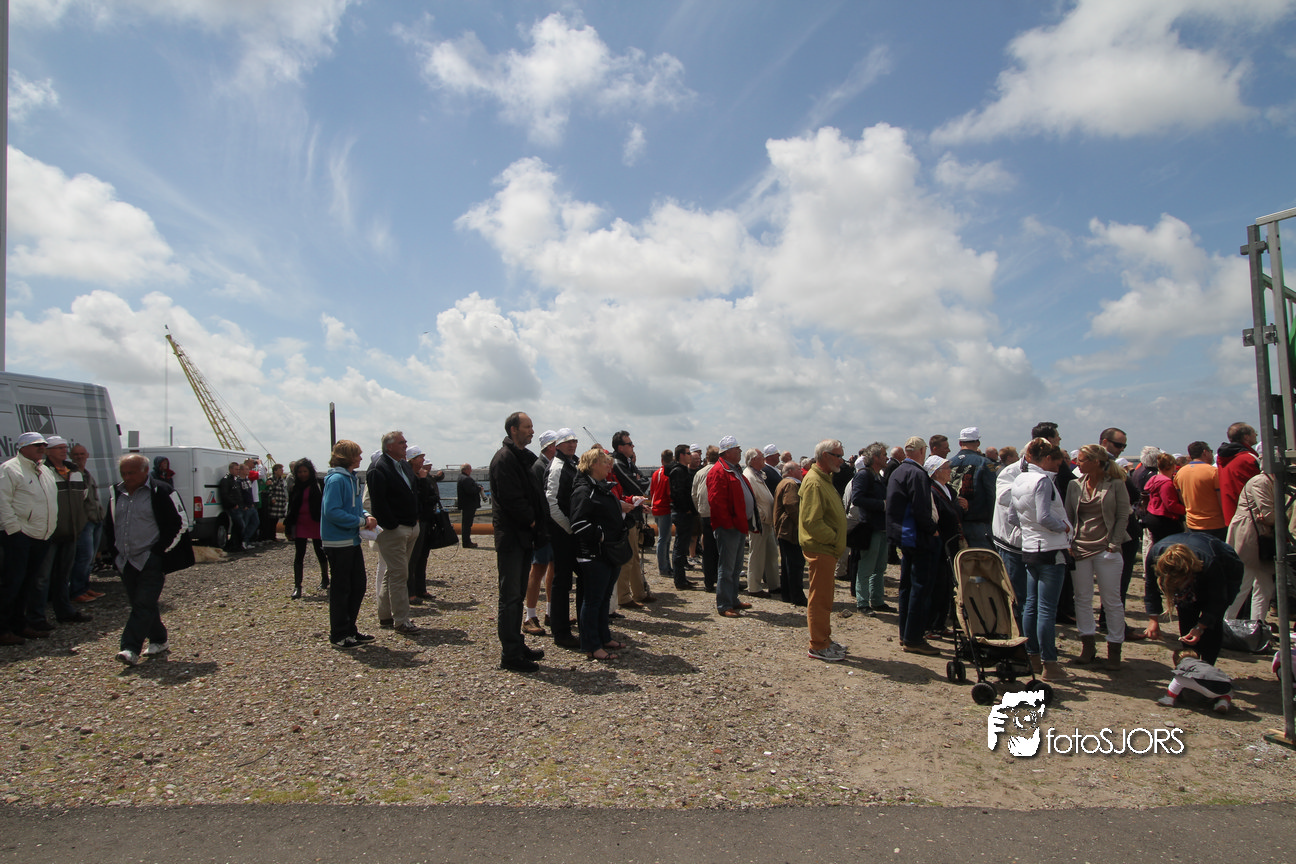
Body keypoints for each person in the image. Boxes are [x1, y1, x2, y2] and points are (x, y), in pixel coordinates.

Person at [103, 453, 192, 665]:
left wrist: (159, 552)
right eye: (123, 473)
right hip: (125, 559)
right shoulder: (116, 493)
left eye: (131, 473)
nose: (127, 477)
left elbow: (181, 522)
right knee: (141, 603)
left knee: (143, 603)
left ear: (145, 471)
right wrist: (113, 552)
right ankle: (159, 639)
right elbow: (110, 523)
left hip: (150, 558)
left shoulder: (162, 491)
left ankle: (130, 648)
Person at [1009, 438, 1073, 682]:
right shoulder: (1042, 480)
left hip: (1030, 547)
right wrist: (1065, 527)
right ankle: (1050, 663)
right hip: (1049, 548)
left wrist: (1030, 529)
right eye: (1056, 461)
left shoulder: (1020, 479)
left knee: (1031, 605)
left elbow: (1012, 517)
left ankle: (1033, 655)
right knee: (1046, 609)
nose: (1058, 465)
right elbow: (1045, 517)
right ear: (1046, 458)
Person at [489, 412, 548, 673]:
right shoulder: (505, 459)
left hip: (523, 537)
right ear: (513, 429)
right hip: (513, 537)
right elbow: (512, 499)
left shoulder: (520, 457)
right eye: (527, 427)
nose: (532, 431)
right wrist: (533, 521)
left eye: (532, 427)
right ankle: (510, 654)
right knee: (511, 597)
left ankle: (516, 644)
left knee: (516, 595)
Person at [1065, 444, 1131, 670]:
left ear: (1096, 462)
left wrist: (1114, 544)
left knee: (1111, 600)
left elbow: (1123, 515)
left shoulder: (1116, 484)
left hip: (1106, 548)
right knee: (1082, 598)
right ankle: (1088, 645)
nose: (1078, 463)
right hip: (1080, 548)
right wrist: (1070, 543)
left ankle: (1114, 649)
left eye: (1082, 460)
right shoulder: (1074, 485)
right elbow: (1069, 516)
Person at [1147, 533, 1243, 667]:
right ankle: (1190, 665)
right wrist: (1153, 620)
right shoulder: (1155, 555)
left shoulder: (1211, 562)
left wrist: (1200, 627)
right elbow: (1150, 588)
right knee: (1185, 611)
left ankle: (1207, 667)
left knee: (1212, 623)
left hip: (1226, 565)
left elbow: (1218, 601)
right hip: (1196, 562)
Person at [570, 447, 627, 661]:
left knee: (603, 598)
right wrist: (601, 535)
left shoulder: (602, 487)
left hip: (609, 553)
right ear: (593, 464)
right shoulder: (584, 490)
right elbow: (578, 523)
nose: (609, 466)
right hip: (593, 554)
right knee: (593, 600)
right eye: (605, 462)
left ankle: (604, 637)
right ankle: (591, 645)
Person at [0, 433, 58, 645]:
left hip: (41, 535)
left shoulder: (45, 470)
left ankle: (19, 625)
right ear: (22, 447)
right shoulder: (10, 469)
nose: (41, 448)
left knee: (27, 583)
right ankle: (2, 629)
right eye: (36, 445)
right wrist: (14, 530)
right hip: (19, 536)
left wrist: (50, 528)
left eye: (43, 445)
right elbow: (2, 501)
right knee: (11, 583)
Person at [887, 436, 940, 656]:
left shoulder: (898, 471)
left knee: (907, 586)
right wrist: (932, 528)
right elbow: (921, 507)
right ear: (921, 451)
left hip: (903, 534)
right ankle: (914, 637)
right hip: (917, 535)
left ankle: (906, 632)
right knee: (920, 587)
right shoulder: (917, 473)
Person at [321, 440, 377, 649]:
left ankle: (349, 629)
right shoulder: (337, 480)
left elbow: (353, 507)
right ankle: (339, 633)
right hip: (337, 542)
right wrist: (361, 521)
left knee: (357, 585)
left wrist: (366, 515)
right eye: (357, 454)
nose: (361, 458)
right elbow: (332, 511)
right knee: (342, 588)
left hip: (350, 540)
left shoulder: (350, 478)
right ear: (348, 457)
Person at [367, 431, 421, 634]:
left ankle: (385, 615)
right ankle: (401, 620)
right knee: (399, 574)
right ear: (389, 446)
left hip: (410, 526)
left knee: (393, 572)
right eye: (401, 442)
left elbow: (413, 491)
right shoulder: (378, 468)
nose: (405, 445)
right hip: (395, 530)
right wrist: (393, 525)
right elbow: (378, 502)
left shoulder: (404, 466)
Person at [37, 436, 94, 629]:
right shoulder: (42, 471)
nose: (63, 450)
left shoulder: (75, 471)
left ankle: (64, 611)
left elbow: (83, 497)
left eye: (64, 447)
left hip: (70, 532)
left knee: (63, 576)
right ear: (48, 451)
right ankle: (37, 617)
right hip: (49, 533)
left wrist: (79, 522)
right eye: (58, 447)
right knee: (42, 578)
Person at [799, 440, 848, 662]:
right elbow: (812, 521)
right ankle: (818, 645)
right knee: (820, 599)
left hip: (827, 548)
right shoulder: (814, 482)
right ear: (825, 456)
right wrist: (834, 539)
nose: (841, 460)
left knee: (825, 598)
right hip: (821, 548)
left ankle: (824, 639)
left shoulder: (824, 479)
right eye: (838, 456)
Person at [707, 435, 755, 618]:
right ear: (727, 452)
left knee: (735, 566)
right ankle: (724, 604)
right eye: (737, 449)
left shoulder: (733, 469)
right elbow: (716, 502)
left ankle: (733, 599)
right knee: (726, 568)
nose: (740, 451)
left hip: (738, 525)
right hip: (729, 527)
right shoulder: (719, 471)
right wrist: (729, 524)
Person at [544, 428, 582, 649]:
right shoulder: (557, 467)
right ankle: (561, 632)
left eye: (574, 440)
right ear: (557, 445)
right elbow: (551, 503)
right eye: (567, 441)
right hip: (562, 533)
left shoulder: (571, 464)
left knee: (575, 578)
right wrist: (569, 528)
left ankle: (581, 624)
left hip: (571, 532)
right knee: (561, 582)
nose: (572, 444)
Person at [1224, 472, 1276, 622]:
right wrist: (1272, 517)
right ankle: (1225, 623)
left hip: (1259, 536)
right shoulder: (1261, 481)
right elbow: (1269, 515)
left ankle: (1257, 624)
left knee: (1264, 586)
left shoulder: (1268, 481)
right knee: (1244, 583)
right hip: (1251, 534)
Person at [610, 430, 653, 607]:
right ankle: (624, 596)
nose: (633, 446)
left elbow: (641, 481)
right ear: (620, 447)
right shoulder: (618, 464)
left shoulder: (627, 462)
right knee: (627, 558)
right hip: (625, 516)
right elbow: (638, 485)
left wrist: (638, 481)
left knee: (634, 556)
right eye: (629, 444)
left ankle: (639, 592)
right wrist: (638, 480)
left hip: (633, 513)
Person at [849, 442, 890, 614]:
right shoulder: (864, 475)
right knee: (866, 567)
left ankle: (877, 599)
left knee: (879, 568)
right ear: (875, 457)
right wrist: (882, 505)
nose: (886, 458)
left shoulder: (877, 476)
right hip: (870, 527)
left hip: (881, 527)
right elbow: (857, 498)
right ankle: (863, 602)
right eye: (884, 454)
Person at [526, 430, 558, 635]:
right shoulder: (539, 467)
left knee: (552, 569)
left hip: (551, 525)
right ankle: (530, 615)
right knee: (538, 570)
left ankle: (550, 612)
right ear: (550, 447)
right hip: (544, 527)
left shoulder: (547, 465)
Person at [283, 458, 328, 599]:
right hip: (300, 523)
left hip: (316, 522)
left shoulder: (319, 484)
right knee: (299, 554)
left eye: (305, 471)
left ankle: (325, 578)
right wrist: (288, 527)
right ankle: (297, 586)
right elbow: (291, 508)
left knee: (320, 551)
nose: (302, 474)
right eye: (300, 472)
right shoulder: (295, 487)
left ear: (310, 471)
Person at [68, 444, 106, 605]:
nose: (79, 457)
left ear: (87, 455)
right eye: (76, 454)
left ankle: (85, 587)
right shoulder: (72, 474)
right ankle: (77, 591)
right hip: (84, 522)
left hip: (95, 519)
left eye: (82, 454)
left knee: (90, 558)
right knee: (83, 557)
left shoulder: (87, 473)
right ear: (71, 456)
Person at [948, 427, 995, 550]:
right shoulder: (985, 463)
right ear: (978, 443)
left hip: (954, 523)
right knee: (983, 558)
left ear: (960, 443)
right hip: (979, 523)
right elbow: (992, 494)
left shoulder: (949, 463)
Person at [742, 447, 779, 598]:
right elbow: (750, 500)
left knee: (771, 553)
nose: (764, 458)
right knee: (757, 554)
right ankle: (754, 587)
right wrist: (760, 514)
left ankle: (774, 584)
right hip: (759, 521)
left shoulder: (758, 473)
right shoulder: (749, 476)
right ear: (753, 460)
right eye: (761, 456)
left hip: (766, 520)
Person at [773, 460, 808, 606]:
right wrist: (802, 524)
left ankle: (787, 594)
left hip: (784, 530)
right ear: (791, 471)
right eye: (799, 469)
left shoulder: (784, 483)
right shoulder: (790, 484)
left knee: (788, 564)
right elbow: (791, 505)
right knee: (795, 564)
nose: (801, 471)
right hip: (790, 530)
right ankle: (797, 596)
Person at [1174, 442, 1226, 540]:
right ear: (1205, 452)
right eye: (1211, 451)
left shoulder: (1180, 473)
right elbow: (1222, 500)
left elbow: (1182, 498)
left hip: (1192, 523)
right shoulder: (1214, 472)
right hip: (1215, 524)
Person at [665, 443, 697, 591]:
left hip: (685, 513)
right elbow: (678, 493)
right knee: (680, 547)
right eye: (688, 453)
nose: (691, 456)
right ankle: (679, 580)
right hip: (682, 513)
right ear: (682, 455)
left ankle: (682, 578)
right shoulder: (678, 471)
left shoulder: (683, 470)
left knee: (682, 547)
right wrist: (687, 509)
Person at [1217, 422, 1260, 524]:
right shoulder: (1248, 459)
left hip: (1231, 515)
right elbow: (1259, 488)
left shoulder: (1222, 459)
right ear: (1246, 437)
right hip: (1249, 517)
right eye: (1254, 432)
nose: (1256, 434)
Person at [691, 446, 721, 592]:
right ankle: (720, 579)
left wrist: (700, 509)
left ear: (707, 458)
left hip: (704, 513)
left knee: (708, 549)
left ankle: (708, 581)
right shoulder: (721, 471)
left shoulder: (700, 473)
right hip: (718, 513)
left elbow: (694, 494)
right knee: (722, 548)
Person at [649, 449, 674, 577]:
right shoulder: (669, 474)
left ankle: (666, 566)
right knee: (664, 539)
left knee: (665, 538)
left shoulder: (656, 473)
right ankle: (663, 568)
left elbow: (652, 490)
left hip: (656, 507)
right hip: (665, 508)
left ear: (662, 460)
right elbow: (670, 493)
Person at [457, 464, 482, 548]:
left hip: (465, 504)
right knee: (467, 524)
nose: (471, 471)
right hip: (469, 504)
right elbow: (470, 491)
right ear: (466, 469)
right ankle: (466, 542)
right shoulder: (466, 479)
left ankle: (466, 541)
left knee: (466, 524)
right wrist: (479, 489)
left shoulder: (461, 477)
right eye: (470, 469)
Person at [262, 464, 288, 542]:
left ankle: (272, 536)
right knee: (271, 521)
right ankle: (270, 536)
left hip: (280, 503)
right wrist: (272, 498)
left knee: (276, 520)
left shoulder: (281, 480)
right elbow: (269, 490)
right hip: (274, 504)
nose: (282, 471)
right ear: (275, 471)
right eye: (280, 470)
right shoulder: (271, 479)